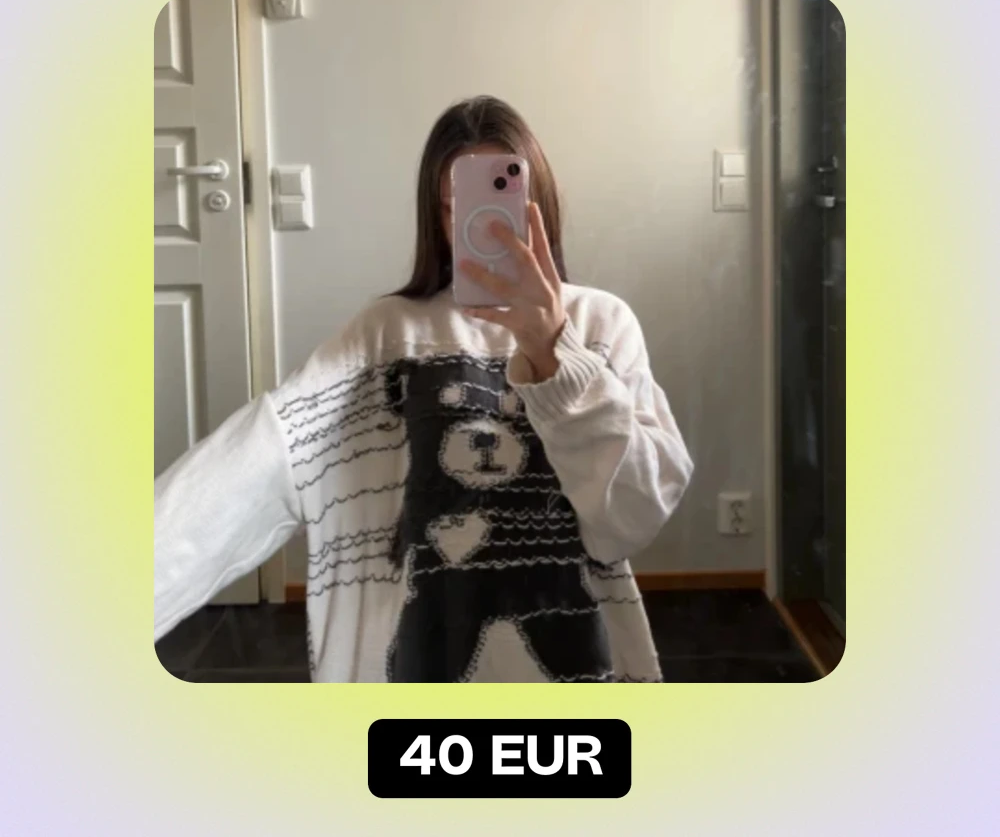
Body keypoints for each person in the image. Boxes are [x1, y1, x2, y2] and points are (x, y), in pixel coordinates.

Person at [154, 95, 694, 683]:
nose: (484, 232)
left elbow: (631, 517)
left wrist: (554, 350)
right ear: (435, 217)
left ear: (538, 208)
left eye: (503, 211)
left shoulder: (600, 324)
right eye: (456, 211)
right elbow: (265, 455)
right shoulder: (384, 334)